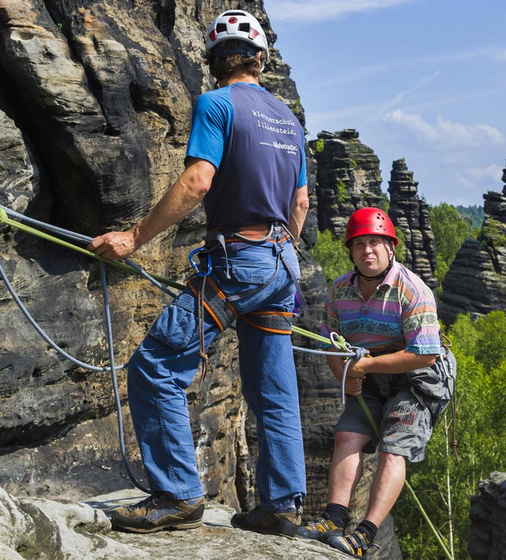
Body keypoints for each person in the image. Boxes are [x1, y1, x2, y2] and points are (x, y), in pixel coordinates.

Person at [88, 9, 309, 537]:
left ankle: (177, 494)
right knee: (275, 391)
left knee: (157, 365)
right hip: (282, 263)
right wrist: (278, 257)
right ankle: (280, 506)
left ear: (213, 60)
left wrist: (135, 237)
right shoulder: (289, 119)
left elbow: (197, 183)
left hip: (240, 261)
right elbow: (299, 203)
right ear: (261, 58)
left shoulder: (216, 103)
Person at [297, 208, 455, 557]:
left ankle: (365, 534)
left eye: (375, 243)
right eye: (359, 245)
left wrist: (363, 367)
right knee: (347, 434)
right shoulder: (340, 291)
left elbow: (425, 354)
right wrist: (345, 378)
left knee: (393, 446)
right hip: (368, 375)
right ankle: (333, 519)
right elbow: (331, 343)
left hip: (417, 380)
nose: (367, 251)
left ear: (390, 248)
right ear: (350, 252)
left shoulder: (413, 290)